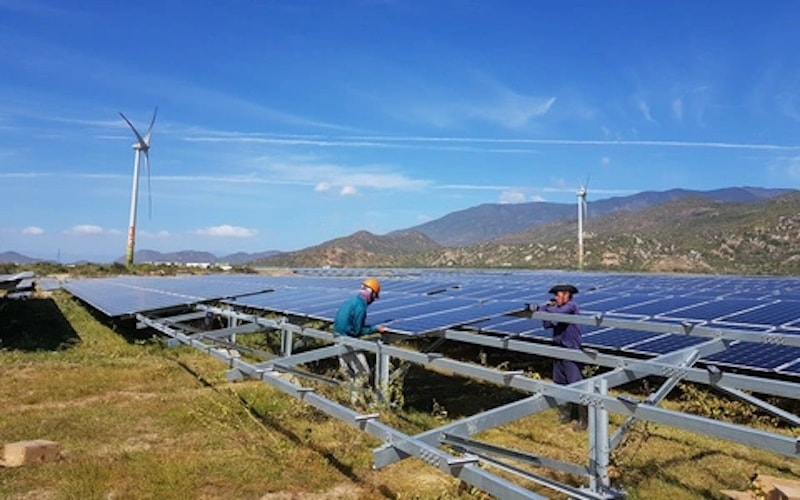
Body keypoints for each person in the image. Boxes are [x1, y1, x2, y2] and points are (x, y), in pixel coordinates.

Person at [539, 283, 587, 430]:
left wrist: (545, 307)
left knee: (575, 382)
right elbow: (547, 323)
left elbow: (556, 316)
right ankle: (566, 413)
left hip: (570, 348)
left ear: (567, 295)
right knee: (560, 381)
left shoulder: (571, 306)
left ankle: (583, 419)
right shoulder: (556, 308)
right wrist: (546, 308)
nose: (555, 298)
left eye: (558, 294)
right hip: (558, 347)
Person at [333, 278, 387, 401]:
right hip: (347, 341)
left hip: (337, 338)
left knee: (348, 373)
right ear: (372, 294)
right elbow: (357, 331)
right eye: (374, 297)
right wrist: (375, 329)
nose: (373, 300)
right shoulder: (360, 307)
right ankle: (355, 401)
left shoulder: (352, 301)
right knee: (363, 373)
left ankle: (349, 399)